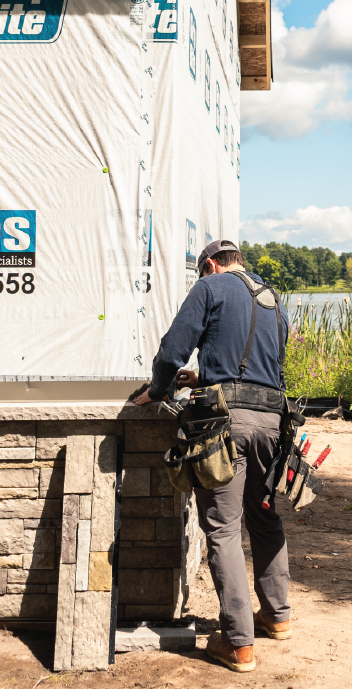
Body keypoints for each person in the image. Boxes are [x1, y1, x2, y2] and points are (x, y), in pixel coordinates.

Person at [132, 239, 291, 674]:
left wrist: (158, 389)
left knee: (222, 527)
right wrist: (205, 373)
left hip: (226, 426)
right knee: (263, 515)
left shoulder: (210, 288)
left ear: (209, 265)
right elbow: (263, 366)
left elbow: (172, 348)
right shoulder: (272, 298)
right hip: (273, 424)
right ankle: (277, 617)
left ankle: (238, 643)